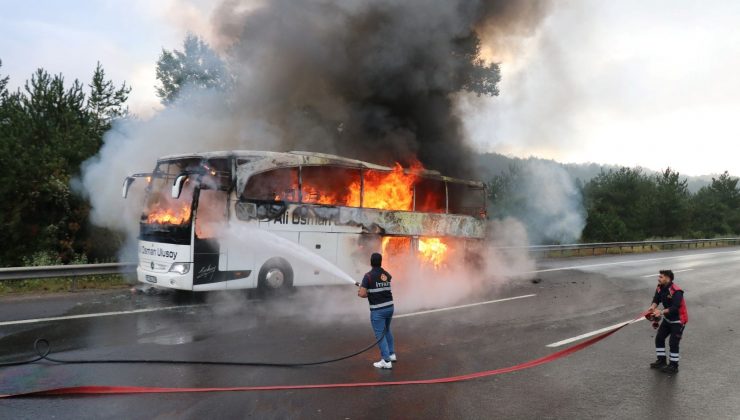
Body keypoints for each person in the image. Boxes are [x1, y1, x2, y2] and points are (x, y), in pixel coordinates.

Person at [357, 252, 396, 369]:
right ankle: (392, 354)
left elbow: (363, 293)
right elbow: (380, 287)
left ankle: (386, 361)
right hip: (390, 307)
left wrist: (361, 291)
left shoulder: (368, 276)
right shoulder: (386, 274)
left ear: (370, 262)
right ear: (380, 262)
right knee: (387, 330)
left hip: (378, 310)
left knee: (380, 334)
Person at [647, 269, 689, 374]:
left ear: (668, 278)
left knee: (673, 343)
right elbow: (656, 299)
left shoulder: (676, 291)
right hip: (668, 318)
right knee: (659, 338)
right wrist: (652, 308)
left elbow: (675, 308)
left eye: (661, 277)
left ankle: (674, 366)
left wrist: (660, 312)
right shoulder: (660, 287)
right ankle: (661, 361)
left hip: (678, 320)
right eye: (659, 276)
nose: (658, 278)